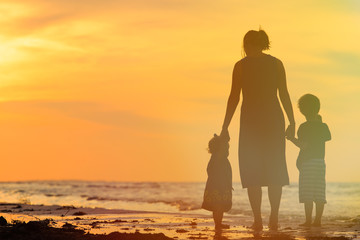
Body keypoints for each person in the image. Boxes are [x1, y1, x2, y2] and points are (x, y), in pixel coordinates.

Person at [221, 29, 295, 230]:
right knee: (274, 170)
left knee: (252, 171)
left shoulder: (241, 66)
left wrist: (225, 126)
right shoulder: (276, 64)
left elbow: (234, 98)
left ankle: (258, 219)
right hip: (273, 120)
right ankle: (273, 218)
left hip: (251, 123)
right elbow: (284, 95)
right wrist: (292, 121)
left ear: (247, 44)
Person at [287, 94, 331, 227]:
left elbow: (303, 146)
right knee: (319, 192)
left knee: (308, 194)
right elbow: (327, 137)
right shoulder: (323, 126)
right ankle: (317, 220)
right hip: (320, 163)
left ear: (302, 110)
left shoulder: (304, 127)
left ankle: (308, 220)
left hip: (308, 163)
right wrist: (319, 121)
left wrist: (291, 138)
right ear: (318, 108)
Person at [202, 133, 232, 231]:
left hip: (223, 186)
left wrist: (229, 184)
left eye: (228, 149)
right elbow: (209, 170)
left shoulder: (222, 159)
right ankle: (218, 224)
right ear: (218, 150)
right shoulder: (216, 158)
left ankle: (219, 223)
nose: (227, 151)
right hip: (217, 187)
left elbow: (228, 173)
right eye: (226, 149)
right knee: (217, 207)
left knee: (220, 207)